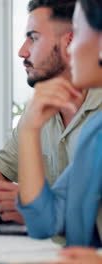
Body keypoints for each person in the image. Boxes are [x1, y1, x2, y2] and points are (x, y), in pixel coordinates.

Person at [0, 0, 102, 224]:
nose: (22, 51)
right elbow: (3, 168)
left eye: (33, 38)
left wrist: (38, 208)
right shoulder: (38, 108)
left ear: (70, 42)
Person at [17, 0, 102, 249]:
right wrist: (29, 130)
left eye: (77, 32)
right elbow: (44, 223)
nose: (69, 50)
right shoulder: (94, 134)